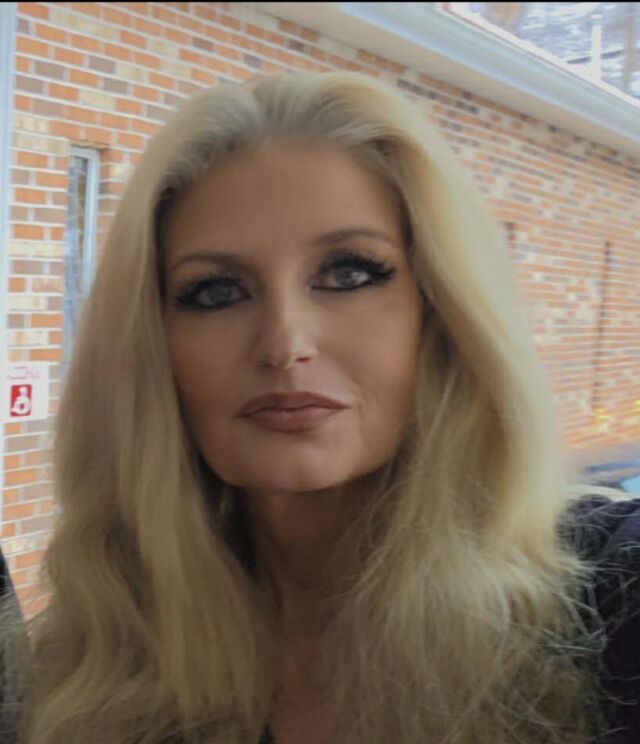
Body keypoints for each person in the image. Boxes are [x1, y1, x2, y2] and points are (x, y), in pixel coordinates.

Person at [0, 70, 638, 744]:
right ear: (153, 348)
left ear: (441, 313)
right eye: (216, 292)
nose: (285, 345)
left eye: (349, 274)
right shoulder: (95, 660)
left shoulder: (614, 594)